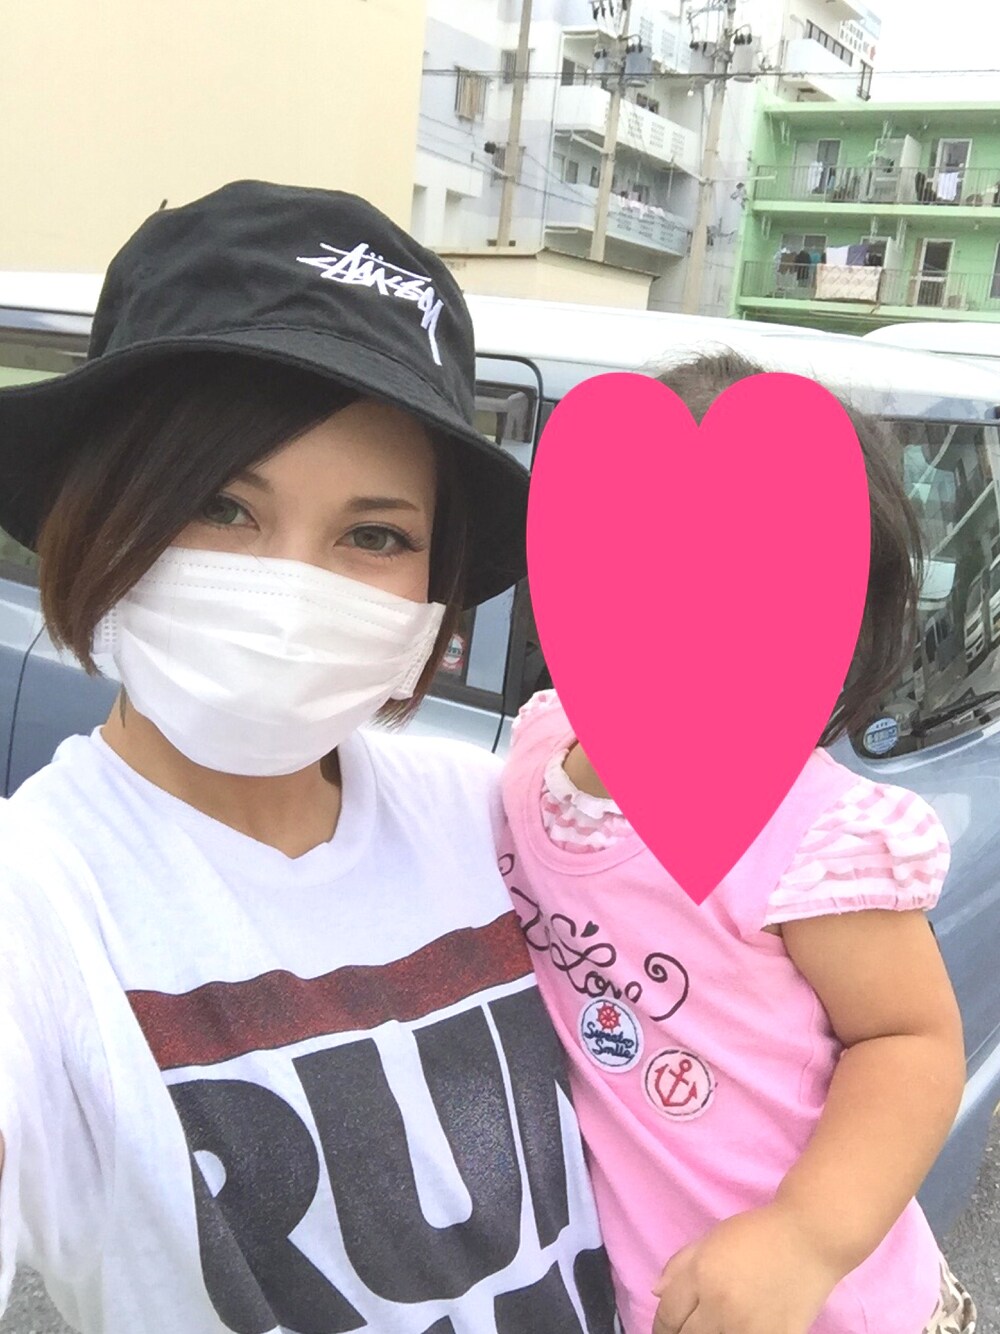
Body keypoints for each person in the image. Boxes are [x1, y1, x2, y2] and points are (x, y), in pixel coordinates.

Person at [0, 181, 619, 1333]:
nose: (291, 585)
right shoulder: (36, 905)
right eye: (221, 506)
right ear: (100, 508)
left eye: (373, 533)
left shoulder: (489, 814)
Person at [499, 350, 977, 1334]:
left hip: (819, 1305)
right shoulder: (537, 749)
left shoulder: (812, 838)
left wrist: (803, 1236)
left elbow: (908, 1039)